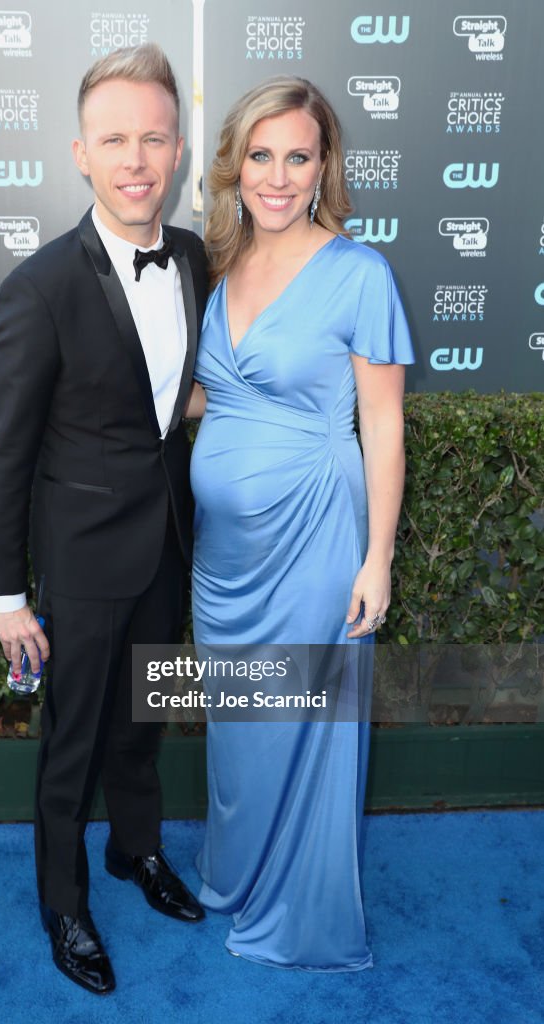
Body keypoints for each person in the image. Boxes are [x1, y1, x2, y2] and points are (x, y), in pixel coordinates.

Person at [0, 44, 208, 996]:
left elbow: (172, 398)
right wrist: (4, 598)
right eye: (115, 138)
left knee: (147, 716)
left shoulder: (192, 256)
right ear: (80, 152)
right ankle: (63, 902)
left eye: (153, 136)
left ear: (179, 147)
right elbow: (5, 455)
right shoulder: (38, 289)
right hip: (77, 560)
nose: (137, 158)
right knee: (73, 742)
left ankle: (136, 852)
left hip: (171, 544)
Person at [188, 76, 415, 970]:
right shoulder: (221, 258)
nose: (277, 176)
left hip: (316, 536)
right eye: (260, 155)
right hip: (223, 557)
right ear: (234, 165)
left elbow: (383, 424)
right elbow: (216, 395)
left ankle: (301, 913)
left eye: (297, 157)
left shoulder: (359, 273)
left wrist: (377, 559)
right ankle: (237, 873)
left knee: (309, 720)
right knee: (239, 722)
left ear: (324, 168)